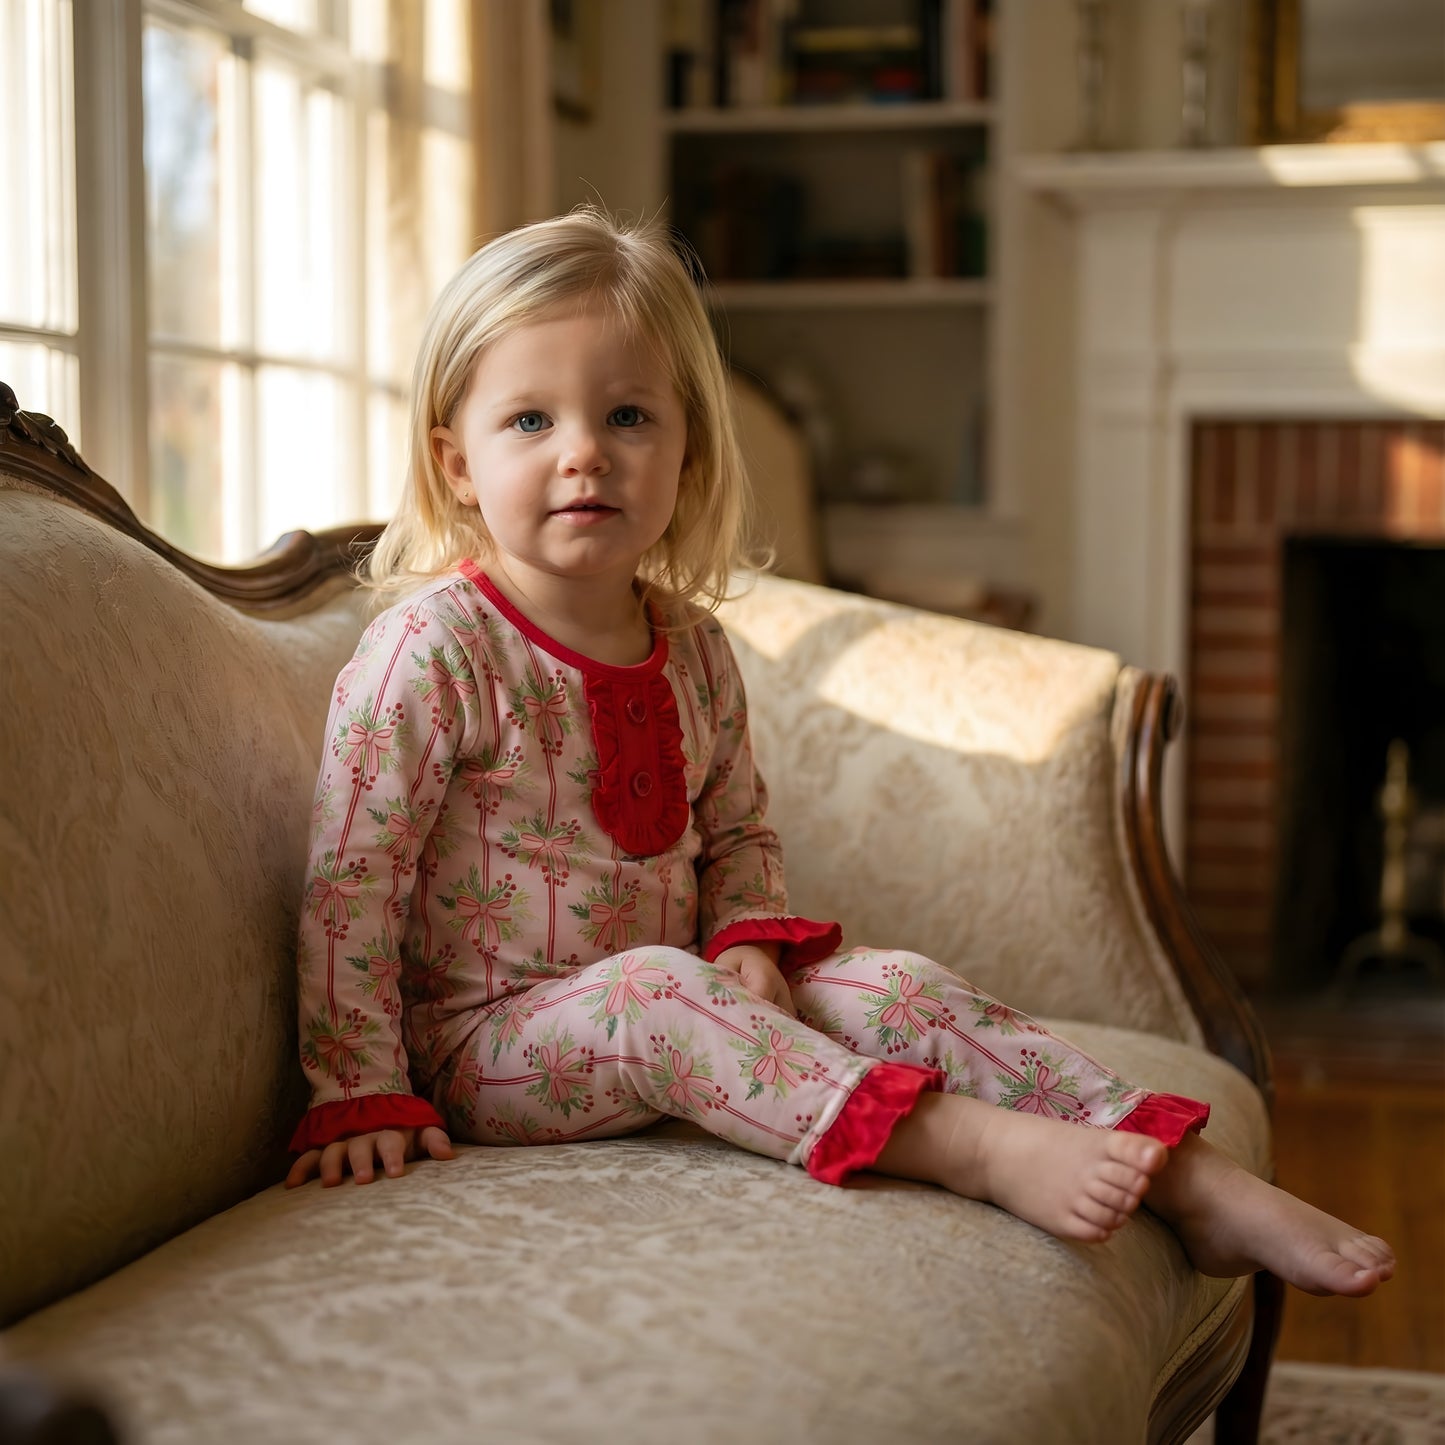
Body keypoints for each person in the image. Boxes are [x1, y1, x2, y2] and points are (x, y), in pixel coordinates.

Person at [285, 206, 1393, 1300]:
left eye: (626, 415)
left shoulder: (692, 645)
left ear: (683, 452)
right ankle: (975, 1148)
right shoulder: (429, 652)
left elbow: (737, 830)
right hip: (494, 1044)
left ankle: (1184, 1172)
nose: (585, 454)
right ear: (458, 462)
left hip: (691, 1008)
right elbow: (352, 884)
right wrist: (362, 1090)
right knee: (659, 994)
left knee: (892, 987)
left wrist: (748, 937)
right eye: (530, 421)